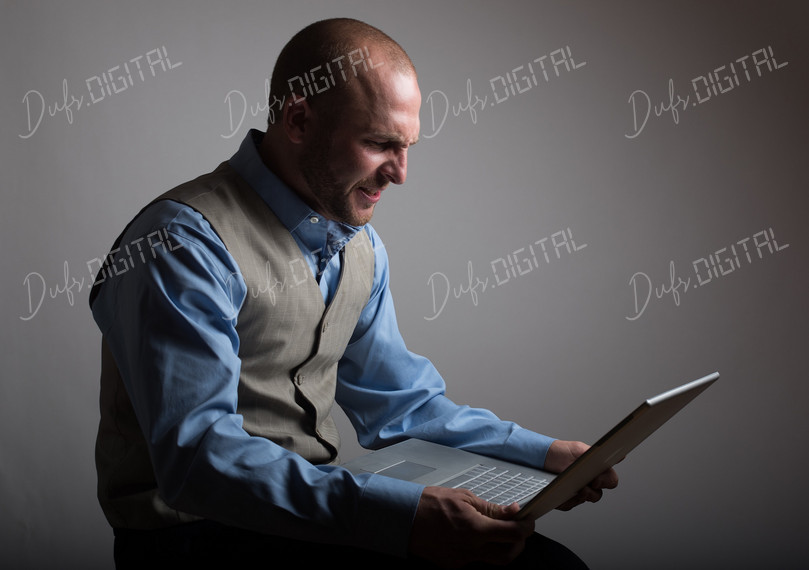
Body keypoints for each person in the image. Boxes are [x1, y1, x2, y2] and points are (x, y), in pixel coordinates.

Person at [89, 17, 618, 569]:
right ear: (298, 120)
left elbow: (403, 406)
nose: (401, 173)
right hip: (193, 539)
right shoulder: (178, 243)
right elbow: (198, 460)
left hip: (315, 519)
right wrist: (404, 517)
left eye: (407, 146)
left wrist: (546, 456)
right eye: (379, 143)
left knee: (542, 564)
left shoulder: (359, 247)